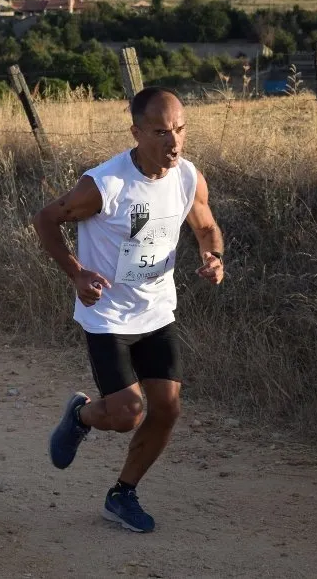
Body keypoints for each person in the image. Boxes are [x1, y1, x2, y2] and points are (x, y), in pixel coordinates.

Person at [32, 86, 224, 533]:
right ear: (136, 133)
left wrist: (213, 256)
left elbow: (206, 225)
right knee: (126, 414)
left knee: (167, 409)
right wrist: (77, 273)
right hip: (108, 316)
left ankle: (123, 494)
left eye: (180, 130)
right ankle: (80, 415)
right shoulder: (105, 185)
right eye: (161, 132)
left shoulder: (187, 177)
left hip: (157, 311)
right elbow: (45, 219)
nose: (174, 142)